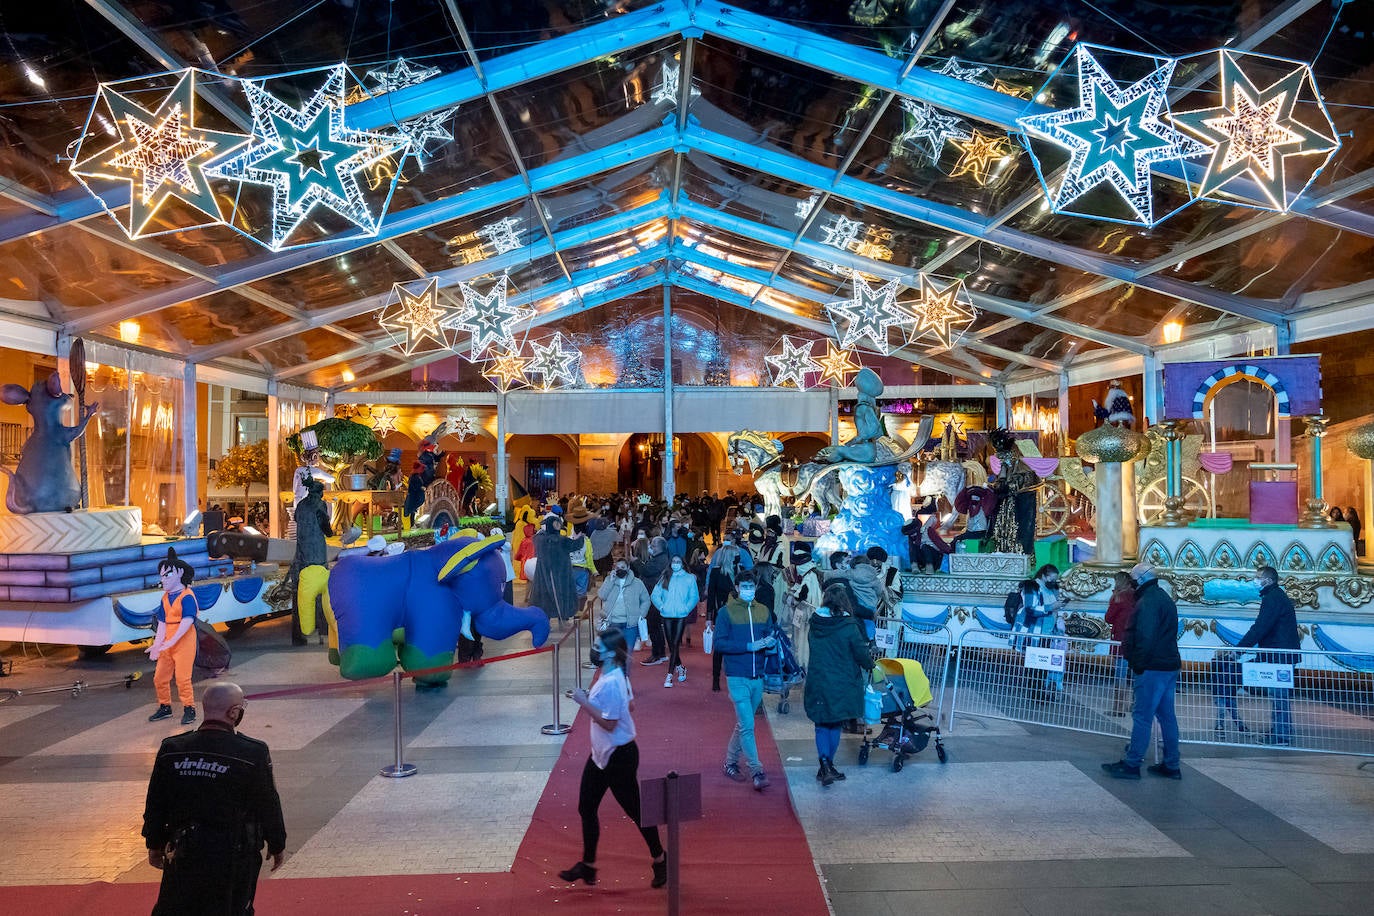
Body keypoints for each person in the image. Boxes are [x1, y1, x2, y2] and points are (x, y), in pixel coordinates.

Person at [142, 682, 287, 915]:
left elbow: (156, 802)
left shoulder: (173, 749)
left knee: (178, 907)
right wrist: (277, 842)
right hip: (233, 854)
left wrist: (154, 843)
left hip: (183, 850)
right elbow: (267, 802)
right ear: (233, 712)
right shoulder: (252, 752)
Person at [560, 627, 667, 890]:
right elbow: (630, 706)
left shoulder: (612, 681)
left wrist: (583, 701)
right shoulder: (615, 674)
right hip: (602, 754)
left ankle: (660, 858)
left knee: (636, 811)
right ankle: (588, 865)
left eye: (599, 645)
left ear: (610, 653)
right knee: (587, 807)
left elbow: (609, 723)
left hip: (618, 757)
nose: (595, 648)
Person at [1103, 563, 1182, 780]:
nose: (1131, 581)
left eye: (1133, 578)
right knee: (1166, 716)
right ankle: (1171, 764)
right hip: (1168, 664)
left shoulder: (1147, 602)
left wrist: (1137, 663)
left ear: (1141, 579)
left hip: (1152, 667)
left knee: (1142, 715)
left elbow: (1145, 637)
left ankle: (1132, 763)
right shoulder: (1163, 598)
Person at [804, 583, 876, 788]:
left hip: (818, 679)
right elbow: (860, 653)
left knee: (820, 724)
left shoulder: (815, 623)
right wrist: (870, 665)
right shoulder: (849, 626)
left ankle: (824, 765)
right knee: (834, 724)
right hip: (841, 681)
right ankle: (828, 764)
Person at [713, 570, 775, 792]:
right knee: (748, 725)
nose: (748, 589)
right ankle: (756, 770)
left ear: (755, 587)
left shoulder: (763, 611)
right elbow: (719, 644)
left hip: (757, 676)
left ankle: (730, 762)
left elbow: (770, 635)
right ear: (737, 588)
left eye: (751, 586)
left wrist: (770, 644)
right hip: (737, 676)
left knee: (743, 724)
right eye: (744, 586)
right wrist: (748, 647)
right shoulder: (726, 613)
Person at [1236, 565, 1300, 746]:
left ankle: (1281, 736)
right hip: (1281, 655)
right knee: (1279, 697)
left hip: (1278, 656)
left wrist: (1239, 649)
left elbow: (1260, 627)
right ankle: (1282, 730)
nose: (1255, 580)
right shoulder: (1276, 596)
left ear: (1268, 580)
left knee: (1279, 697)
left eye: (1258, 577)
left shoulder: (1272, 599)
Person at [147, 548, 200, 725]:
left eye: (167, 575)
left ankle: (189, 708)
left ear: (180, 574)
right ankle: (165, 706)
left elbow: (187, 621)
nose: (163, 580)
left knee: (183, 678)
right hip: (167, 642)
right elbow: (162, 622)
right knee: (159, 677)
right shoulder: (165, 598)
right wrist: (157, 644)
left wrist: (173, 640)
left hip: (183, 641)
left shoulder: (187, 597)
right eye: (162, 576)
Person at [651, 554, 700, 688]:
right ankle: (680, 667)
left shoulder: (689, 579)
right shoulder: (665, 577)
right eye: (673, 561)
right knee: (671, 645)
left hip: (680, 615)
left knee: (675, 643)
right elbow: (655, 595)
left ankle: (669, 675)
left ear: (683, 564)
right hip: (666, 614)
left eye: (678, 561)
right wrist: (661, 606)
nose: (675, 563)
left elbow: (694, 596)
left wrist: (686, 608)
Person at [528, 515, 586, 623]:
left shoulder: (540, 540)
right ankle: (563, 618)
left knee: (544, 599)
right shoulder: (561, 541)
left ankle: (546, 620)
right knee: (561, 596)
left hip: (543, 574)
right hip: (561, 574)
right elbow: (576, 545)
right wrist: (581, 536)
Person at [596, 559, 651, 661]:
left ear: (628, 568)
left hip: (630, 624)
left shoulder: (637, 583)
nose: (620, 570)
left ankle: (625, 676)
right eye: (617, 568)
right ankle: (617, 674)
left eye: (623, 568)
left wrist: (641, 614)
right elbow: (602, 595)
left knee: (627, 653)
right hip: (612, 623)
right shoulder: (609, 580)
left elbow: (646, 600)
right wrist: (610, 582)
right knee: (613, 653)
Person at [1104, 571, 1137, 716]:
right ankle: (1135, 704)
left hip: (1120, 640)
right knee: (1136, 674)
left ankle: (1118, 708)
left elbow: (1109, 618)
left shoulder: (1118, 597)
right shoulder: (1137, 595)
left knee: (1120, 675)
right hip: (1136, 638)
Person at [634, 536, 672, 665]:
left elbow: (647, 571)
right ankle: (659, 653)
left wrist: (636, 562)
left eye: (653, 545)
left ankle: (657, 654)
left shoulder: (661, 559)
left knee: (654, 626)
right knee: (655, 627)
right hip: (653, 595)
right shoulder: (658, 558)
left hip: (654, 596)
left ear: (659, 547)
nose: (650, 547)